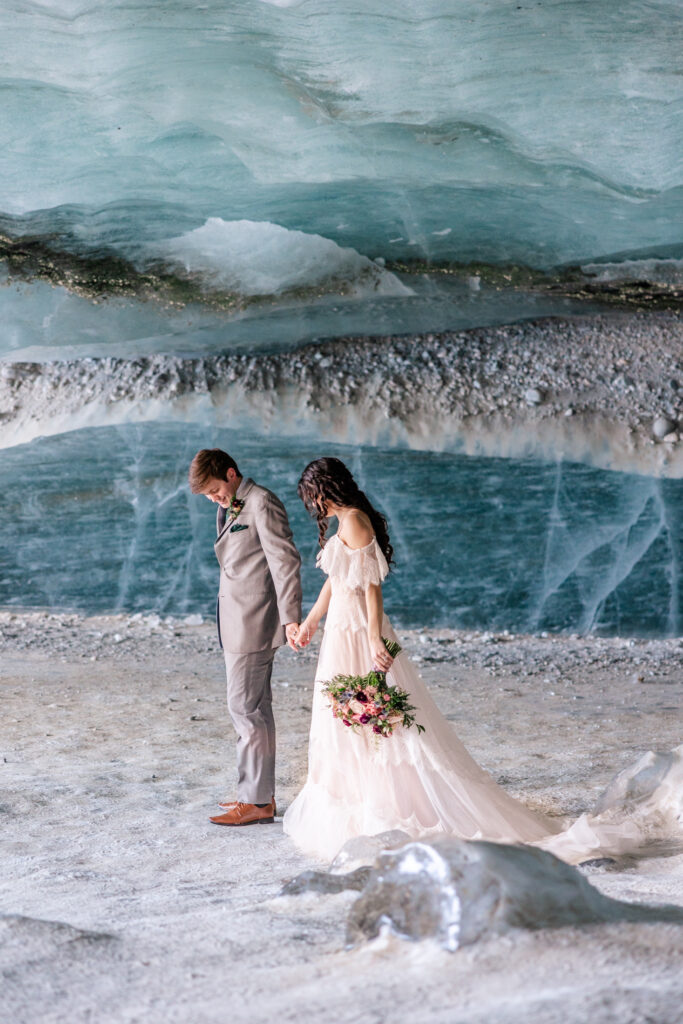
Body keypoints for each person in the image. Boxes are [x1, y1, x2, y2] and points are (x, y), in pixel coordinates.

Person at [282, 457, 561, 861]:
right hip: (339, 631)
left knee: (382, 719)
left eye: (313, 496)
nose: (313, 505)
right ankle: (358, 796)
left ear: (328, 488)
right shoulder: (346, 521)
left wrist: (375, 638)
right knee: (343, 719)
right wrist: (308, 623)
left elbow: (372, 588)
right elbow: (336, 581)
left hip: (359, 630)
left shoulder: (356, 520)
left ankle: (390, 803)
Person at [189, 448, 302, 826]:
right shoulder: (233, 505)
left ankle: (254, 801)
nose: (214, 499)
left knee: (244, 710)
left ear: (232, 474)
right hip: (236, 622)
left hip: (254, 623)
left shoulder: (261, 502)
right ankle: (258, 796)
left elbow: (284, 562)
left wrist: (290, 619)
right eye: (208, 496)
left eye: (216, 491)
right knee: (256, 710)